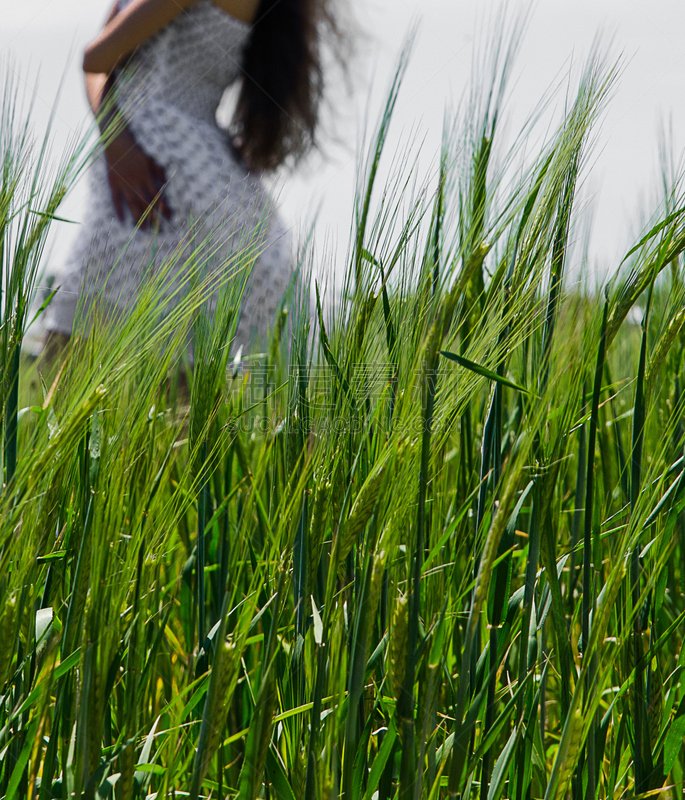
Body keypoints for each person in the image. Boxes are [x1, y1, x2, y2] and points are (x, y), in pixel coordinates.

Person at [44, 0, 339, 356]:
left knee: (72, 346)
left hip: (156, 162)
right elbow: (101, 68)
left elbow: (96, 57)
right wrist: (115, 139)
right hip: (176, 161)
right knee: (179, 360)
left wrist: (118, 140)